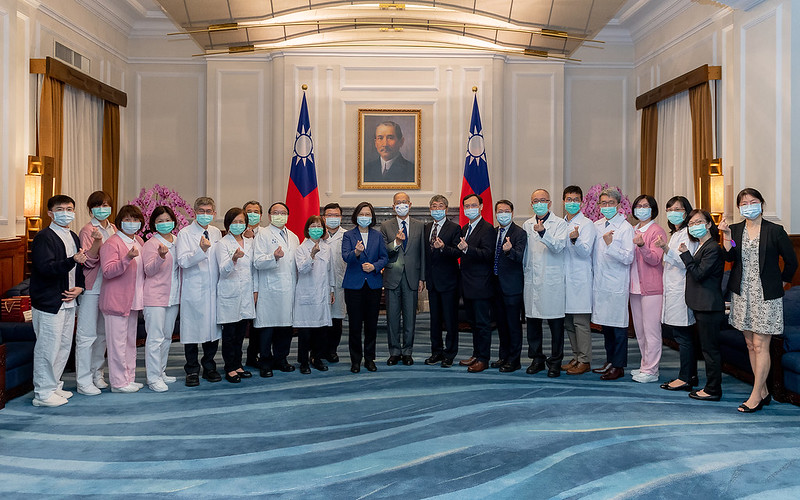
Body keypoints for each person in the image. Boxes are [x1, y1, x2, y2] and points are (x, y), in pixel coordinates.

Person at [721, 188, 798, 412]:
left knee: (760, 344)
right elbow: (729, 256)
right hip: (742, 293)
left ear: (762, 204)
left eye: (753, 202)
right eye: (744, 203)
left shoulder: (775, 231)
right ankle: (762, 391)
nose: (749, 206)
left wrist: (782, 282)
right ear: (739, 208)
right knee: (749, 344)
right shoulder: (736, 230)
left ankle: (755, 395)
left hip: (766, 295)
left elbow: (791, 261)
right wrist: (726, 235)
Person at [29, 195, 87, 407]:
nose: (66, 213)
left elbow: (79, 267)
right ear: (50, 213)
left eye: (69, 209)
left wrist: (80, 287)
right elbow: (46, 268)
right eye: (60, 209)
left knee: (63, 346)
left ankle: (54, 386)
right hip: (49, 301)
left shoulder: (73, 235)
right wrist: (72, 260)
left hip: (69, 300)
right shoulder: (44, 237)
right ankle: (42, 393)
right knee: (48, 348)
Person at [99, 204, 146, 393]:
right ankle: (118, 383)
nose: (132, 223)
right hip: (116, 301)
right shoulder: (112, 243)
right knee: (117, 345)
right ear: (119, 222)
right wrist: (126, 258)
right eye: (127, 219)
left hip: (133, 300)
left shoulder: (139, 241)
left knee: (129, 342)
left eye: (135, 219)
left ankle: (129, 378)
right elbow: (108, 271)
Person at [176, 197, 223, 387]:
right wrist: (200, 251)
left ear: (214, 213)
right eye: (201, 211)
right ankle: (192, 370)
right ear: (194, 212)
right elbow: (182, 261)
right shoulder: (185, 233)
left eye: (208, 211)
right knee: (192, 332)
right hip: (193, 290)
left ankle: (209, 366)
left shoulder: (216, 232)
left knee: (212, 331)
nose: (205, 214)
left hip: (213, 289)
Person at [679, 210, 725, 404]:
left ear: (708, 224)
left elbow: (699, 274)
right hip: (702, 304)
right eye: (691, 223)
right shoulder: (702, 246)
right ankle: (710, 386)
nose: (694, 226)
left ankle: (713, 389)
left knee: (710, 350)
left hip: (709, 306)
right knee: (707, 348)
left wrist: (685, 255)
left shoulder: (712, 247)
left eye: (698, 222)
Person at [522, 189, 568, 377]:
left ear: (549, 203)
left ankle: (555, 361)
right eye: (535, 201)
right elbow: (525, 253)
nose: (539, 203)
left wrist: (543, 233)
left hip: (552, 281)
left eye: (543, 200)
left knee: (555, 324)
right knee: (533, 323)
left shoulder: (560, 224)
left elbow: (558, 247)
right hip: (532, 279)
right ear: (531, 204)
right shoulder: (527, 224)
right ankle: (537, 359)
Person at [655, 196, 699, 391]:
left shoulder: (689, 234)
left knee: (684, 336)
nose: (673, 213)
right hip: (672, 289)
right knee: (681, 335)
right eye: (670, 209)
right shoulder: (675, 234)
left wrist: (665, 249)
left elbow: (685, 262)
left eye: (677, 209)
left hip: (682, 290)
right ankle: (690, 375)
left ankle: (685, 377)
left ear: (686, 211)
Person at [591, 188, 635, 380]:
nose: (607, 206)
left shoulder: (625, 228)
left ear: (618, 205)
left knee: (618, 327)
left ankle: (618, 366)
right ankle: (610, 361)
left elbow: (628, 258)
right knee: (606, 326)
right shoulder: (597, 225)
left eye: (610, 203)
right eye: (603, 203)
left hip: (617, 283)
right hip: (600, 283)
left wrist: (610, 244)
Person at [75, 191, 115, 395]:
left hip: (110, 287)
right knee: (86, 335)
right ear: (91, 209)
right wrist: (98, 243)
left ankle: (97, 373)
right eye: (98, 205)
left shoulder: (114, 228)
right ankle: (83, 379)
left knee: (102, 335)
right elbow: (88, 261)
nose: (102, 209)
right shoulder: (87, 230)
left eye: (106, 205)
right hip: (91, 287)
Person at [253, 202, 299, 376]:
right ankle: (265, 361)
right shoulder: (262, 234)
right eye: (276, 212)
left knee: (285, 327)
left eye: (283, 212)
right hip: (269, 290)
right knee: (268, 328)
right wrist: (273, 257)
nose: (280, 215)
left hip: (289, 289)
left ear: (288, 215)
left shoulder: (293, 237)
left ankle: (281, 359)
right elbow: (257, 262)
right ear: (269, 215)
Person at [342, 202, 388, 373]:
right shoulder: (348, 235)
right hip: (354, 285)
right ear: (356, 216)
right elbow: (345, 257)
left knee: (371, 324)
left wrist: (374, 266)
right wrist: (356, 252)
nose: (364, 217)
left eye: (367, 214)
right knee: (354, 325)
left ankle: (369, 359)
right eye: (361, 214)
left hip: (373, 285)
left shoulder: (377, 235)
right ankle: (355, 360)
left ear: (372, 217)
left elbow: (384, 257)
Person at [380, 192, 425, 366]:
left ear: (410, 204)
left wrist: (422, 278)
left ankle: (407, 351)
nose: (401, 205)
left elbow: (422, 254)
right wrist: (396, 243)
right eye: (398, 203)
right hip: (392, 277)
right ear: (393, 207)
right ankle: (394, 351)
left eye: (404, 202)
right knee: (392, 318)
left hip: (412, 277)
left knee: (409, 317)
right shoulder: (386, 226)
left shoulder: (420, 226)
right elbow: (383, 251)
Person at [142, 206, 181, 393]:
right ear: (153, 224)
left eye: (167, 220)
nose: (165, 224)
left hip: (173, 296)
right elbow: (148, 270)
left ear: (173, 221)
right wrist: (160, 257)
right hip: (155, 297)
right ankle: (153, 378)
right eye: (160, 221)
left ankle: (161, 371)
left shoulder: (178, 241)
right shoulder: (151, 244)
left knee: (166, 337)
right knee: (155, 338)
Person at [629, 195, 667, 383]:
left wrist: (642, 245)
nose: (641, 209)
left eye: (645, 206)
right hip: (634, 287)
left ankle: (652, 370)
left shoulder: (657, 231)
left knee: (651, 331)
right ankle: (645, 365)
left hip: (652, 288)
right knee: (640, 330)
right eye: (638, 205)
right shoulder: (633, 229)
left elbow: (655, 259)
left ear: (652, 209)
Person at [215, 208, 256, 383]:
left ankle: (238, 364)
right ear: (228, 224)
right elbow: (223, 271)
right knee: (230, 334)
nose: (238, 225)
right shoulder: (222, 243)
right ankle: (230, 367)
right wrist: (233, 259)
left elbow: (253, 269)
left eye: (241, 222)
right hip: (229, 293)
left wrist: (255, 291)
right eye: (234, 222)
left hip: (246, 293)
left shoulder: (250, 242)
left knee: (241, 333)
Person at [457, 194, 496, 373]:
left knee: (482, 324)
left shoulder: (487, 228)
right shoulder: (465, 228)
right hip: (467, 284)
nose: (470, 208)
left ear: (481, 206)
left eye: (473, 205)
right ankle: (476, 353)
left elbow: (488, 254)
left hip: (481, 284)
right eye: (467, 206)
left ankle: (483, 358)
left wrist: (468, 249)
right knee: (472, 322)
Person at [560, 186, 597, 375]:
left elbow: (586, 252)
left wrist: (575, 240)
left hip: (580, 279)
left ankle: (585, 359)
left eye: (576, 200)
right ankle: (576, 356)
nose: (572, 203)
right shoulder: (561, 223)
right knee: (568, 323)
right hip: (564, 279)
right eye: (569, 199)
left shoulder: (587, 224)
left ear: (581, 202)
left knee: (580, 322)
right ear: (563, 201)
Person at [423, 195, 463, 368]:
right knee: (435, 320)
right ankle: (436, 352)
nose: (437, 209)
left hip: (449, 282)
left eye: (440, 206)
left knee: (450, 320)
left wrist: (443, 248)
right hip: (432, 282)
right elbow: (425, 255)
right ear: (430, 209)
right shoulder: (426, 228)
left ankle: (450, 353)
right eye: (434, 206)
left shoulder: (454, 228)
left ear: (446, 209)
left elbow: (458, 253)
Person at [294, 215, 335, 374]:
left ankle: (316, 358)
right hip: (307, 293)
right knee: (305, 331)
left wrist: (331, 290)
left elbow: (330, 270)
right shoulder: (301, 248)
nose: (316, 229)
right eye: (313, 226)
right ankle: (304, 361)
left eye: (319, 226)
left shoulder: (327, 248)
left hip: (323, 293)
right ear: (307, 229)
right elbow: (302, 269)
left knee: (321, 330)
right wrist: (311, 255)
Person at [490, 200, 526, 373]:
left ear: (512, 213)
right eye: (500, 211)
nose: (502, 214)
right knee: (501, 324)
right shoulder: (493, 232)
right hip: (495, 285)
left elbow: (519, 257)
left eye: (506, 211)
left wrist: (509, 251)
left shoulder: (519, 233)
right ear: (495, 213)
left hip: (512, 287)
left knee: (513, 325)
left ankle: (514, 360)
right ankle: (503, 356)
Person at [321, 203, 346, 362]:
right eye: (329, 215)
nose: (333, 218)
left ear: (341, 217)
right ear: (324, 218)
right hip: (320, 284)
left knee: (336, 319)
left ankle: (332, 350)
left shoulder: (347, 235)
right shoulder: (316, 233)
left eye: (336, 215)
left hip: (339, 283)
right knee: (320, 319)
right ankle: (317, 351)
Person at [242, 200, 263, 368]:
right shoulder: (236, 231)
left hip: (261, 283)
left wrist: (253, 238)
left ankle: (253, 355)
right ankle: (235, 361)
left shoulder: (265, 233)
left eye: (256, 212)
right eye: (249, 211)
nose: (253, 215)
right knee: (240, 324)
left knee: (258, 324)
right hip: (241, 283)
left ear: (261, 216)